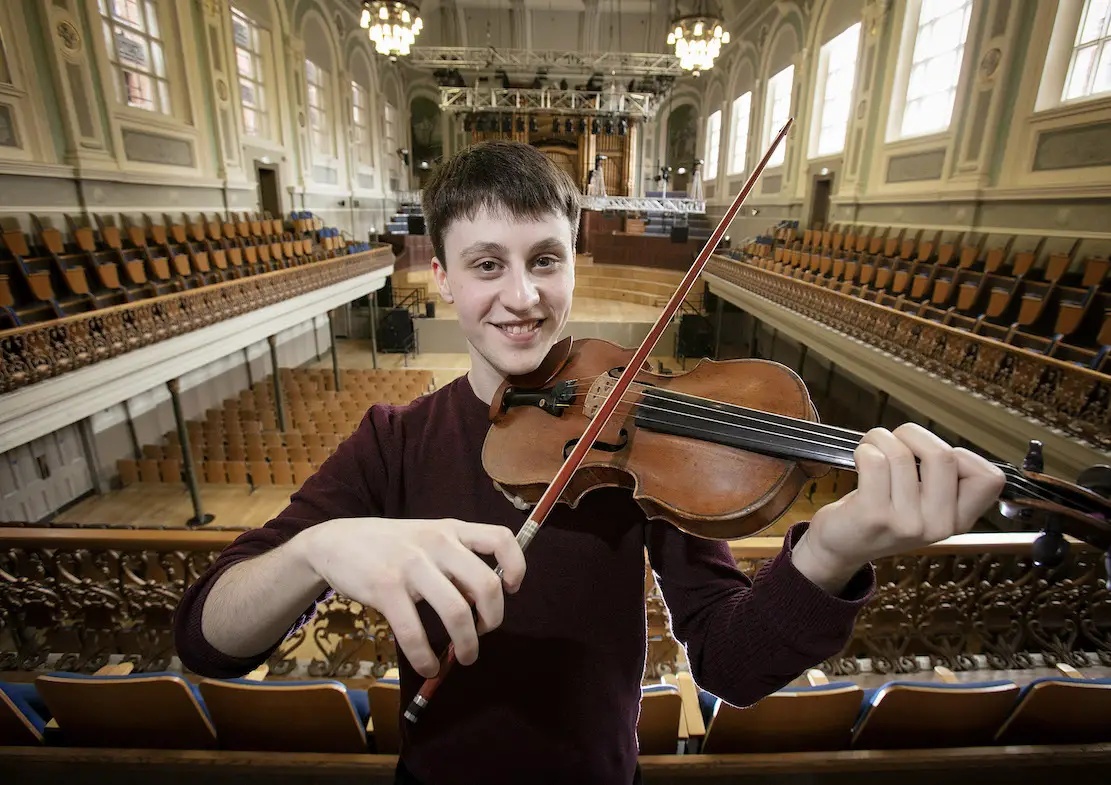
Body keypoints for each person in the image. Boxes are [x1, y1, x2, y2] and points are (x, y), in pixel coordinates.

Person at [173, 140, 1006, 785]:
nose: (523, 297)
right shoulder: (393, 439)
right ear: (441, 277)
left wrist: (833, 551)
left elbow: (733, 664)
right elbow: (209, 638)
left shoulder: (638, 438)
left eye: (545, 259)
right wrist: (319, 547)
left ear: (575, 260)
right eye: (486, 264)